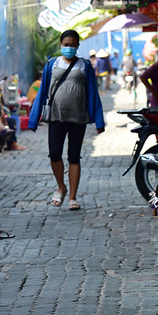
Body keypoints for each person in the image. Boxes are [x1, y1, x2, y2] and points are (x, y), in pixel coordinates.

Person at [28, 29, 106, 211]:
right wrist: (33, 119)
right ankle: (61, 186)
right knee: (54, 154)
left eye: (72, 45)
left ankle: (72, 197)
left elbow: (93, 94)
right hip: (56, 116)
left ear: (77, 46)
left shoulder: (85, 66)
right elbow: (43, 92)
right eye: (66, 45)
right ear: (61, 45)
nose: (69, 48)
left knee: (74, 156)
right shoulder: (51, 65)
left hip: (78, 118)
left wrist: (99, 121)